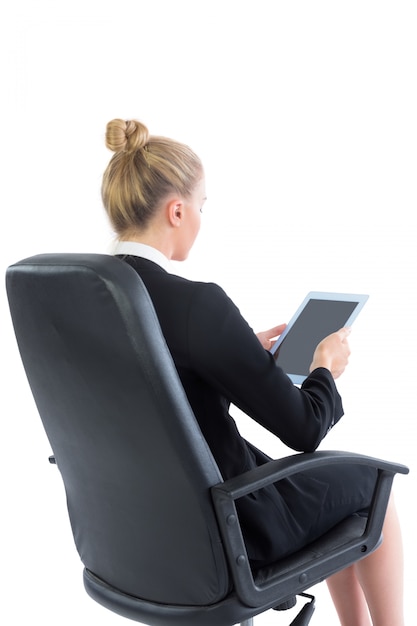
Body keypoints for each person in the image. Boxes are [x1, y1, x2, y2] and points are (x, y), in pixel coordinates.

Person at [101, 118, 404, 626]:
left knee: (336, 489)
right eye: (201, 206)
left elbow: (156, 383)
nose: (201, 217)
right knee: (375, 488)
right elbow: (305, 429)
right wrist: (324, 369)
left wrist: (236, 352)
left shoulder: (84, 297)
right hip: (231, 531)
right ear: (177, 210)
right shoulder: (198, 307)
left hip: (133, 535)